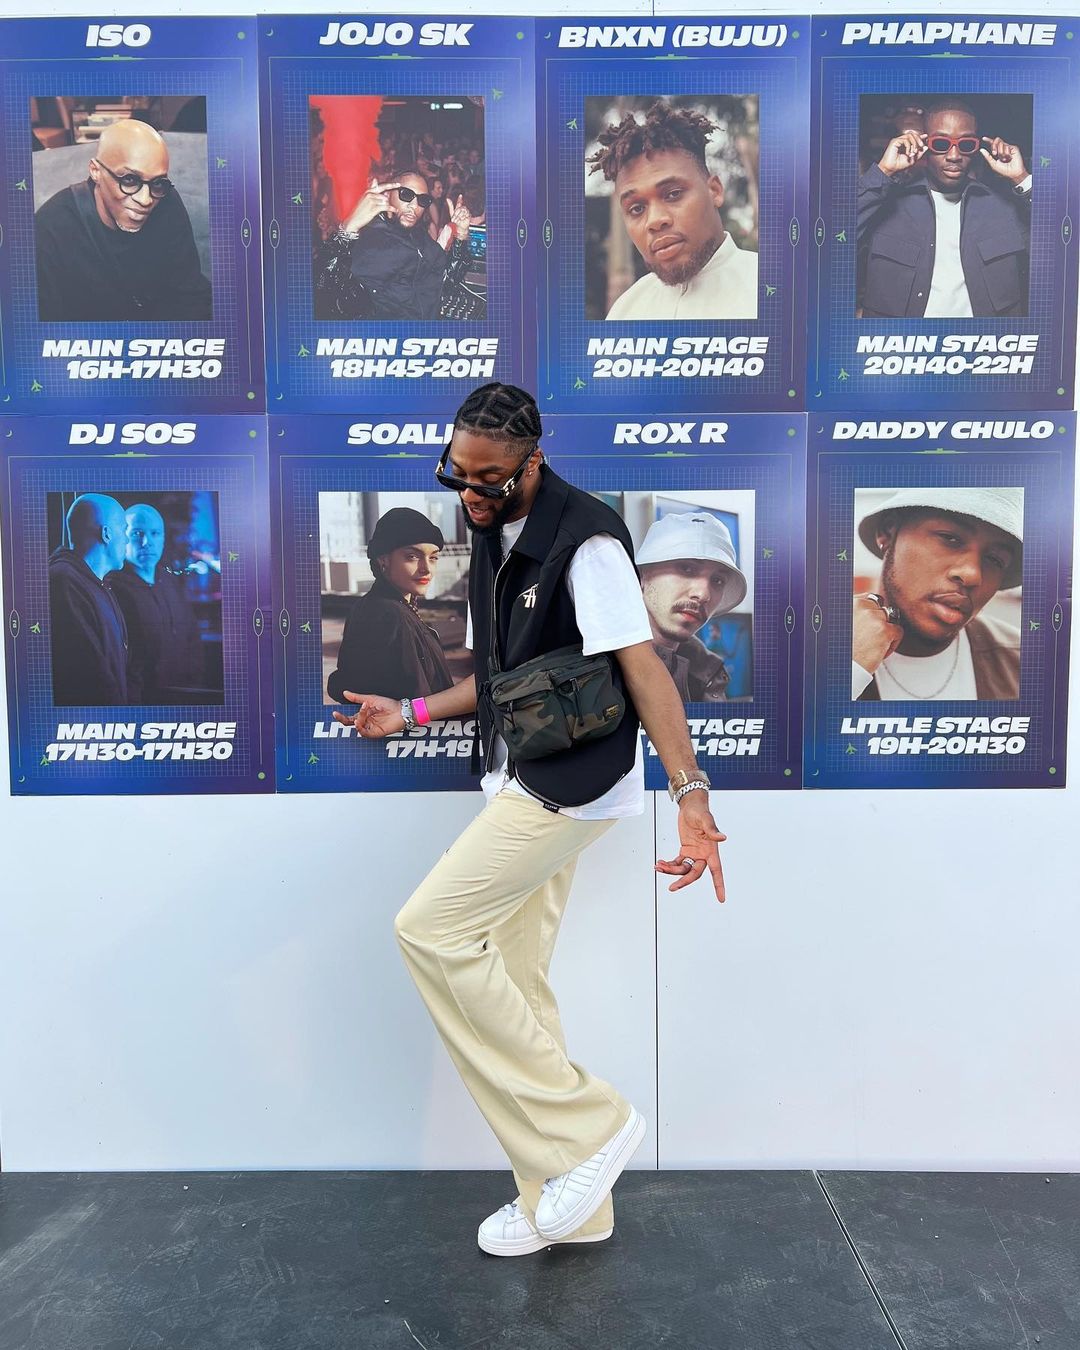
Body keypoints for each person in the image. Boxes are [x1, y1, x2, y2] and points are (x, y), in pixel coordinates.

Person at [334, 383, 727, 1258]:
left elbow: (645, 670)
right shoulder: (492, 532)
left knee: (429, 930)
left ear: (533, 461)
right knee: (515, 980)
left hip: (568, 785)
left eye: (491, 480)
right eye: (459, 476)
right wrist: (412, 712)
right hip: (519, 773)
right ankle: (569, 1202)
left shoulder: (587, 544)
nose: (472, 495)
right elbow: (504, 674)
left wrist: (690, 795)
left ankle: (590, 1126)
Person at [856, 98, 1031, 318]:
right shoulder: (885, 205)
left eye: (966, 145)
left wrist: (1021, 178)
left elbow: (1061, 249)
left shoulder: (1003, 208)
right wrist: (884, 171)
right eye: (940, 144)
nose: (954, 156)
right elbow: (831, 242)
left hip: (982, 338)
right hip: (904, 339)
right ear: (924, 145)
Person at [587, 100, 758, 321]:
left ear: (715, 191)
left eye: (673, 194)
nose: (655, 220)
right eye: (637, 208)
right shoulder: (625, 312)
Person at [852, 487, 1023, 701]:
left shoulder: (1025, 665)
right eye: (950, 538)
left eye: (995, 559)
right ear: (888, 531)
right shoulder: (819, 648)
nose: (972, 575)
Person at [34, 119, 212, 322]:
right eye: (129, 180)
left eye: (157, 182)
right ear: (95, 171)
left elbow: (191, 295)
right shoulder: (50, 230)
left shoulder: (166, 200)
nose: (145, 199)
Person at [326, 507, 455, 702]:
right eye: (412, 556)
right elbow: (414, 699)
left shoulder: (391, 607)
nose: (426, 568)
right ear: (383, 560)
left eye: (433, 557)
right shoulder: (389, 614)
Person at [316, 169, 473, 320]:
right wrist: (348, 229)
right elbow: (322, 289)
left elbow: (446, 280)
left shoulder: (420, 236)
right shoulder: (367, 238)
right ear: (387, 195)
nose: (415, 206)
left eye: (422, 200)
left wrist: (461, 233)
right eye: (406, 195)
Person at [638, 511, 748, 703]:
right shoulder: (592, 662)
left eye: (718, 580)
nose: (703, 595)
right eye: (686, 569)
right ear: (642, 576)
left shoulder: (707, 673)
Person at [108, 503, 213, 704]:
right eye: (137, 533)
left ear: (163, 538)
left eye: (155, 533)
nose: (147, 542)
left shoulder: (171, 583)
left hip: (186, 698)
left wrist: (194, 688)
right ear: (123, 537)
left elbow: (193, 639)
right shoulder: (114, 590)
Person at [48, 493, 129, 705]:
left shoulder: (96, 584)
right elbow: (91, 676)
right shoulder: (65, 582)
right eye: (124, 529)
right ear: (107, 534)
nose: (127, 539)